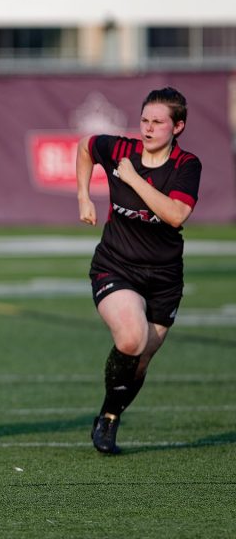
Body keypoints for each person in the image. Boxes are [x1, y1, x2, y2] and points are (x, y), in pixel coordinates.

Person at [76, 87, 202, 455]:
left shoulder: (186, 166)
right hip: (116, 265)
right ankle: (109, 420)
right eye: (144, 120)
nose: (148, 129)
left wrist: (132, 179)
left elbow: (176, 214)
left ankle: (109, 416)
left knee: (142, 358)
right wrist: (83, 194)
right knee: (132, 339)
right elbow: (86, 145)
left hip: (164, 278)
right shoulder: (120, 150)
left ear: (177, 127)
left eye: (158, 122)